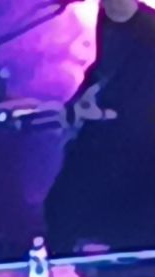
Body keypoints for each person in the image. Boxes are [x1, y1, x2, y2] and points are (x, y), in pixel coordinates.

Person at [44, 0, 155, 254]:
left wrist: (104, 112)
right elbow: (101, 72)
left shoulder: (148, 31)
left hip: (134, 162)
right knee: (61, 211)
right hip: (106, 151)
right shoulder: (108, 22)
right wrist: (76, 106)